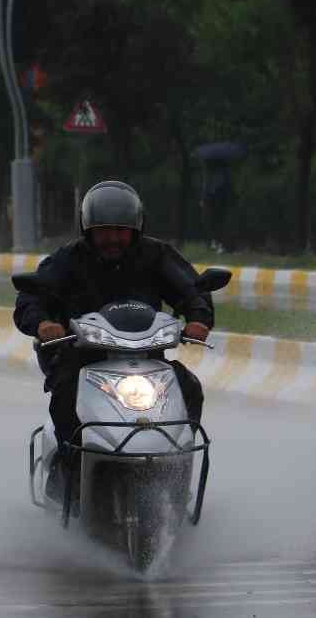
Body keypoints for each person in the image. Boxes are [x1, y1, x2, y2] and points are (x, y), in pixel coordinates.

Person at [13, 180, 214, 499]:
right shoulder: (69, 259)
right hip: (83, 358)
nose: (112, 239)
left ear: (135, 229)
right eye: (103, 231)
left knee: (189, 387)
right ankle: (70, 469)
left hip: (147, 358)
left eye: (120, 230)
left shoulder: (156, 255)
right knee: (66, 392)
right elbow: (32, 297)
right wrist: (43, 324)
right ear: (88, 230)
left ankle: (177, 472)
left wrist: (198, 319)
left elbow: (191, 289)